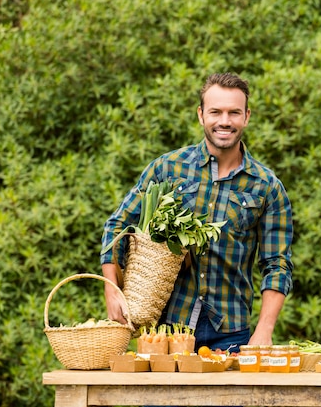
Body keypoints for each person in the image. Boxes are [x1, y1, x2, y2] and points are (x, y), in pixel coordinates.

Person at [100, 72, 294, 353]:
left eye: (234, 112)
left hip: (231, 335)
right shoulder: (168, 168)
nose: (224, 121)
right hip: (164, 331)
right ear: (201, 115)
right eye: (216, 111)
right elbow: (117, 225)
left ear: (246, 116)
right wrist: (111, 290)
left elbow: (277, 264)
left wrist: (264, 330)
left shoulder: (267, 186)